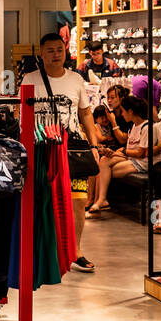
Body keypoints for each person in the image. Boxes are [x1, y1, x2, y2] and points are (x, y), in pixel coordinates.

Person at [26, 31, 102, 274]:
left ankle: (75, 251)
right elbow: (21, 115)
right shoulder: (29, 79)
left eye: (59, 49)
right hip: (41, 149)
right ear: (41, 53)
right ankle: (41, 250)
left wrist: (94, 144)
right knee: (41, 200)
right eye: (50, 50)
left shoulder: (76, 80)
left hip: (71, 148)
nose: (56, 54)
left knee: (79, 201)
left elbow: (86, 113)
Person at [89, 95, 161, 217]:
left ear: (130, 111)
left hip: (140, 162)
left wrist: (123, 151)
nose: (123, 115)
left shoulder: (146, 127)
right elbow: (129, 149)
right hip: (131, 158)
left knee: (104, 170)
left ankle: (99, 201)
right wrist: (115, 152)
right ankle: (98, 201)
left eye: (124, 111)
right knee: (103, 161)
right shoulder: (133, 126)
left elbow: (141, 153)